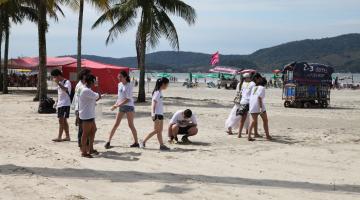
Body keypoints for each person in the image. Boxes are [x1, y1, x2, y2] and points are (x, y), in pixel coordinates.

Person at [105, 71, 139, 149]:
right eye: (118, 76)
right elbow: (119, 97)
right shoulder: (119, 84)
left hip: (129, 107)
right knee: (116, 124)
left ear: (125, 77)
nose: (119, 78)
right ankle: (108, 141)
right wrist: (115, 104)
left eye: (120, 77)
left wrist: (118, 105)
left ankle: (136, 142)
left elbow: (128, 99)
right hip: (121, 106)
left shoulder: (129, 85)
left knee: (131, 125)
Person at [140, 77, 170, 151]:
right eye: (167, 84)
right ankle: (143, 141)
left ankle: (161, 145)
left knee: (159, 130)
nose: (167, 86)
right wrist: (153, 114)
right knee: (157, 130)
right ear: (163, 84)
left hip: (160, 114)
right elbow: (153, 103)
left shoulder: (159, 92)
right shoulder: (157, 92)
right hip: (157, 114)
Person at [79, 75, 101, 158]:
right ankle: (84, 152)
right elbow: (98, 96)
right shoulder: (86, 90)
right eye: (94, 82)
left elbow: (96, 97)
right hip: (87, 114)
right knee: (85, 133)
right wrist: (97, 86)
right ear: (92, 82)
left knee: (93, 130)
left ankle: (90, 148)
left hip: (88, 113)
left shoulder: (85, 89)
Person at [72, 69, 91, 148]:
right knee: (83, 129)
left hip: (82, 109)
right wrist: (77, 112)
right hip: (81, 109)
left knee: (84, 129)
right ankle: (83, 146)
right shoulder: (80, 86)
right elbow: (78, 99)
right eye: (89, 75)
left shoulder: (83, 85)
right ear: (84, 76)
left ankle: (84, 145)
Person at [51, 69, 72, 142]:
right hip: (60, 104)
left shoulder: (67, 82)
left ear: (58, 75)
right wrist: (56, 102)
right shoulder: (60, 82)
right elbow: (60, 94)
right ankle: (67, 136)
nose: (54, 78)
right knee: (64, 121)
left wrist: (58, 84)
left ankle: (59, 137)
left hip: (65, 104)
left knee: (61, 120)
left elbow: (66, 89)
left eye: (55, 77)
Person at [248, 77, 272, 141]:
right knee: (265, 120)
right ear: (264, 83)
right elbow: (259, 98)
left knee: (253, 121)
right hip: (258, 105)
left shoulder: (254, 87)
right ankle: (267, 135)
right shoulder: (262, 88)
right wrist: (261, 108)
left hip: (252, 104)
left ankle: (249, 136)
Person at [237, 73, 257, 138]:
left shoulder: (242, 83)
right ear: (249, 77)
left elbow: (241, 93)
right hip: (249, 102)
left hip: (242, 102)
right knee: (252, 119)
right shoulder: (253, 84)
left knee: (242, 119)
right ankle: (250, 134)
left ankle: (239, 134)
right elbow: (255, 93)